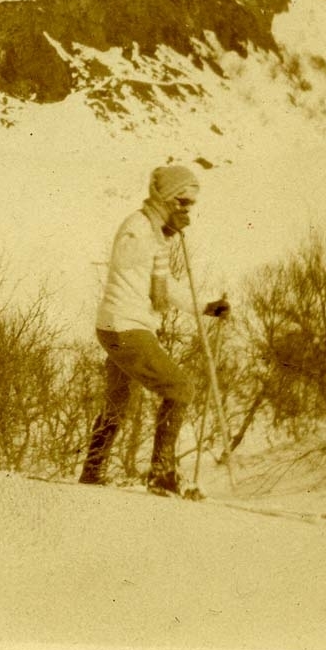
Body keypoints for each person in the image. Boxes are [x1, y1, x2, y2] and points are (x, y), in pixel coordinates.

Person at [79, 165, 229, 497]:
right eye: (184, 202)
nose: (188, 209)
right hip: (126, 326)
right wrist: (164, 232)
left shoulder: (156, 230)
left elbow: (167, 286)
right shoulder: (138, 227)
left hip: (118, 325)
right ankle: (161, 473)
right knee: (180, 388)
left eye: (191, 204)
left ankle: (92, 470)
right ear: (169, 198)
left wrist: (205, 306)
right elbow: (126, 256)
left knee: (118, 399)